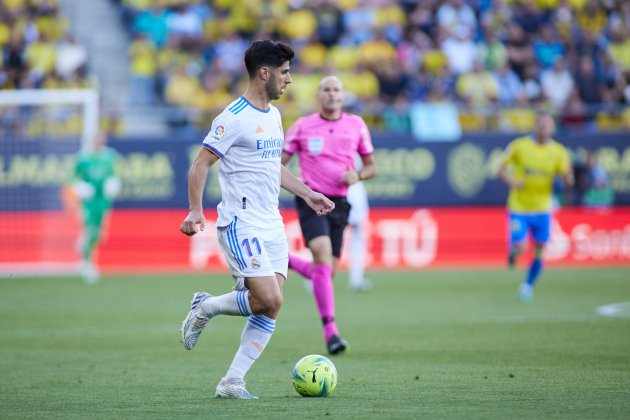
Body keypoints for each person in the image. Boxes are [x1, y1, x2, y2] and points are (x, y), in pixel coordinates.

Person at [178, 40, 334, 400]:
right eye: (284, 72)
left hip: (271, 223)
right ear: (265, 73)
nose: (290, 80)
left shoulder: (274, 115)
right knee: (265, 297)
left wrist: (307, 193)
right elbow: (201, 163)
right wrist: (195, 210)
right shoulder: (233, 118)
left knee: (272, 302)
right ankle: (205, 307)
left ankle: (232, 381)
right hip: (240, 221)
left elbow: (272, 167)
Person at [281, 76, 377, 354]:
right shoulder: (302, 126)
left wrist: (357, 175)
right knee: (322, 255)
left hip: (341, 204)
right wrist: (297, 186)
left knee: (326, 271)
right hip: (312, 199)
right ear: (318, 96)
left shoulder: (356, 125)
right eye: (326, 90)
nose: (332, 94)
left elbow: (372, 167)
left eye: (337, 90)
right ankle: (331, 332)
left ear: (343, 96)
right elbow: (277, 164)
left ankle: (285, 261)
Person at [498, 111, 574, 302]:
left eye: (547, 124)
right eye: (540, 124)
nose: (544, 128)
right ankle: (513, 252)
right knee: (522, 246)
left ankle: (527, 285)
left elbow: (568, 180)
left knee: (540, 249)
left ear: (553, 127)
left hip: (542, 209)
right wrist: (512, 181)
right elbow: (500, 168)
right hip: (519, 207)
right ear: (535, 126)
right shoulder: (520, 146)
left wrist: (568, 179)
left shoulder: (558, 152)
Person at [68, 131, 121, 284]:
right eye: (96, 139)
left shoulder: (110, 156)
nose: (99, 142)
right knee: (90, 229)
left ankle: (83, 244)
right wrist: (80, 186)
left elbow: (114, 173)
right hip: (88, 201)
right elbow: (71, 177)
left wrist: (114, 182)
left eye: (101, 140)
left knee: (98, 234)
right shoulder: (82, 158)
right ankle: (86, 264)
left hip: (103, 200)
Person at [346, 156, 371, 292]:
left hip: (345, 186)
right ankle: (356, 279)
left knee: (329, 236)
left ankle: (315, 279)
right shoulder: (359, 134)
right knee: (357, 236)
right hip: (352, 186)